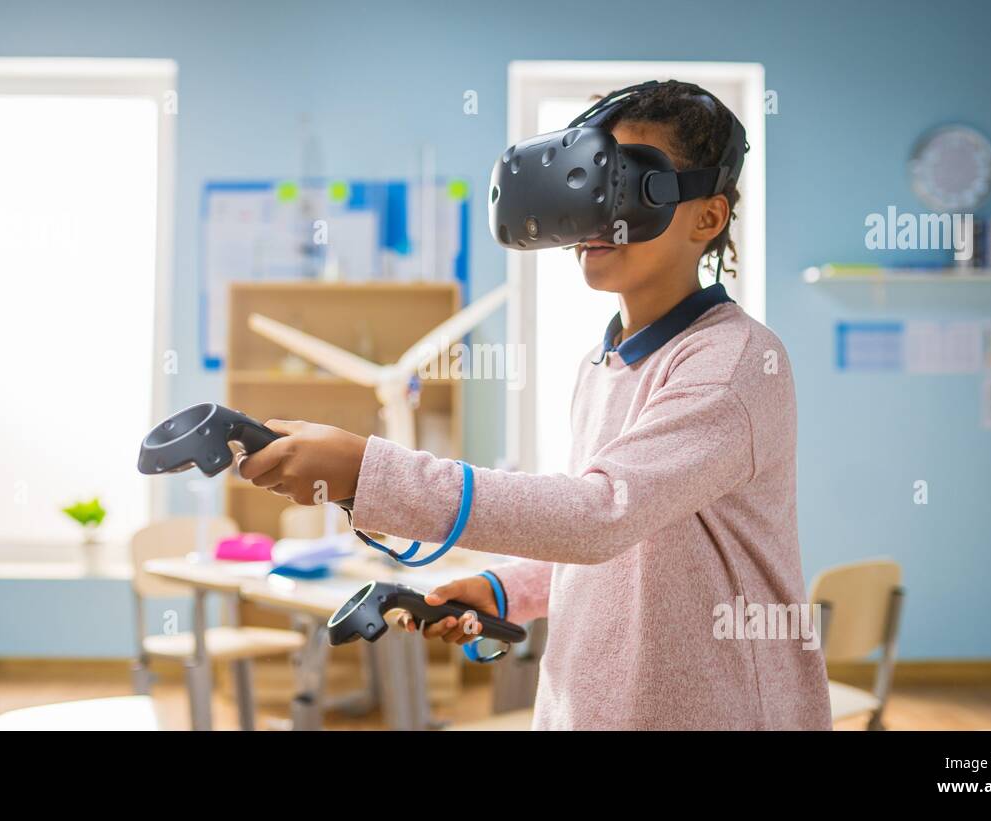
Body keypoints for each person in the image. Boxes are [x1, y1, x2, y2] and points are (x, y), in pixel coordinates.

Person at [238, 82, 831, 730]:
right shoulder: (602, 363)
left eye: (627, 186)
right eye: (589, 187)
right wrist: (505, 589)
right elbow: (617, 541)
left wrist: (368, 473)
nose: (598, 216)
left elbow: (599, 515)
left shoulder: (733, 361)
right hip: (591, 707)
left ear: (707, 217)